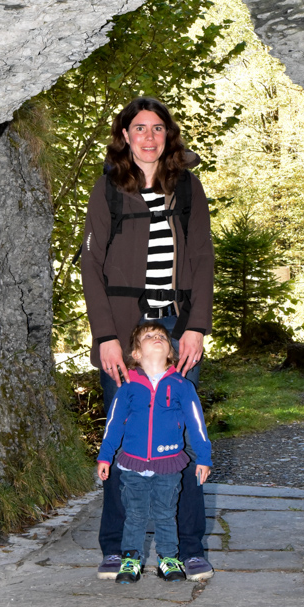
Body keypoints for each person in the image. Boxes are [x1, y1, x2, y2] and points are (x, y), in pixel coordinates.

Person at [80, 95, 215, 581]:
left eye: (158, 128)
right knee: (125, 439)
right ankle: (117, 546)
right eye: (140, 128)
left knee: (182, 434)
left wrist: (197, 326)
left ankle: (190, 546)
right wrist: (105, 337)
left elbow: (202, 259)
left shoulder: (188, 188)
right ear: (125, 136)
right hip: (124, 331)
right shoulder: (108, 188)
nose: (149, 137)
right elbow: (90, 265)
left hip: (178, 327)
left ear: (168, 136)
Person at [97, 321, 212, 584]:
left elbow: (197, 424)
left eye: (161, 335)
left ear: (171, 352)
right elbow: (113, 424)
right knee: (135, 514)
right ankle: (131, 559)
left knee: (165, 513)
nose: (156, 337)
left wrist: (204, 458)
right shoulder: (128, 388)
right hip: (133, 464)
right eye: (148, 336)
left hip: (170, 464)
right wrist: (105, 456)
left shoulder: (182, 386)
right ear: (136, 354)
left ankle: (168, 559)